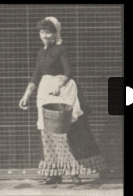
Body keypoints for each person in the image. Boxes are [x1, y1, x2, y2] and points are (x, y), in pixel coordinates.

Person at [19, 17, 107, 185]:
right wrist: (26, 95)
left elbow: (68, 71)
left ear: (55, 33)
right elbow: (36, 75)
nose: (45, 36)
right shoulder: (41, 52)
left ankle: (74, 172)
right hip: (45, 93)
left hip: (62, 92)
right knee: (47, 133)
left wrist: (59, 86)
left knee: (64, 132)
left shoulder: (61, 49)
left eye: (48, 32)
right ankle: (54, 173)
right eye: (42, 32)